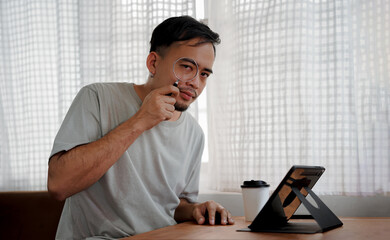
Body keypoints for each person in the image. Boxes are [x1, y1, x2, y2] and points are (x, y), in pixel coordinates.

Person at [47, 15, 234, 239]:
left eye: (204, 74)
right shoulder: (97, 97)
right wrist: (140, 120)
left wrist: (194, 209)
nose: (195, 82)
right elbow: (59, 185)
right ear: (153, 63)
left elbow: (173, 206)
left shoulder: (195, 134)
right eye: (186, 67)